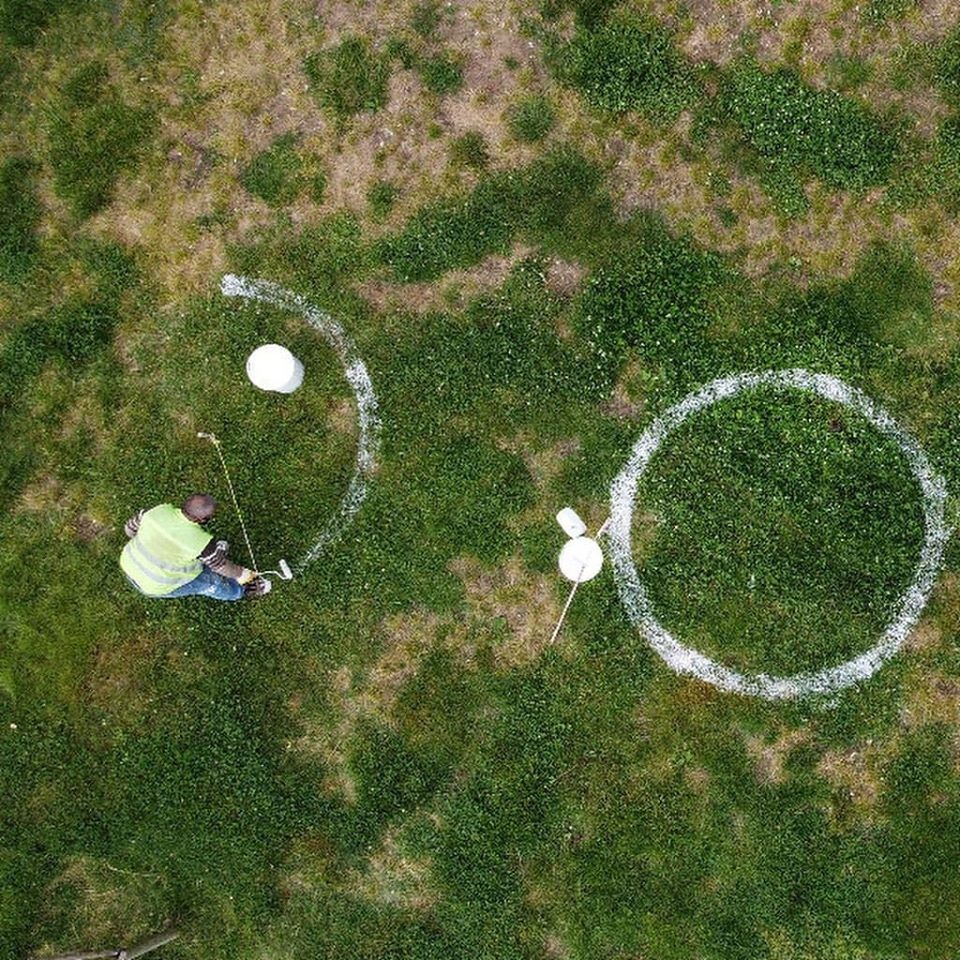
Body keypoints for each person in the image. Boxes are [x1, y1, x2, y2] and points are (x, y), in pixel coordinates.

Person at [120, 493, 270, 600]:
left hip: (128, 564)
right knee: (210, 582)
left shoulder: (157, 511)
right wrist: (243, 574)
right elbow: (221, 567)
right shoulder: (201, 543)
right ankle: (242, 590)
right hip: (154, 584)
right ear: (202, 519)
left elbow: (129, 529)